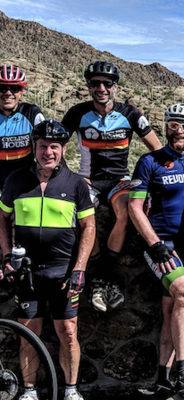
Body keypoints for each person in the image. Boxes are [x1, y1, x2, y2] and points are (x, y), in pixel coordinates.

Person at [0, 120, 95, 400]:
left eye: (54, 147)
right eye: (43, 146)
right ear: (34, 147)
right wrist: (6, 256)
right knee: (28, 333)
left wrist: (79, 268)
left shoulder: (75, 183)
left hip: (63, 272)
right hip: (27, 273)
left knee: (68, 332)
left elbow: (89, 226)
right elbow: (2, 218)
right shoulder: (16, 180)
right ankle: (29, 392)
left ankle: (71, 390)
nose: (48, 152)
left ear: (63, 149)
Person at [62, 61, 163, 312]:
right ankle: (104, 278)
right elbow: (55, 145)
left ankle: (102, 277)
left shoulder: (130, 113)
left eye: (107, 84)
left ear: (115, 86)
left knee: (127, 211)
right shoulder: (77, 113)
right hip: (88, 180)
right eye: (95, 83)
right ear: (89, 86)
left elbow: (158, 150)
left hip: (119, 180)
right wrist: (69, 175)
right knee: (81, 215)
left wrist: (147, 179)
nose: (101, 88)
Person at [129, 103, 184, 396]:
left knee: (172, 307)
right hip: (161, 246)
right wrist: (155, 244)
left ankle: (163, 378)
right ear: (165, 127)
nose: (179, 132)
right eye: (174, 125)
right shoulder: (150, 161)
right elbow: (135, 207)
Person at [0, 64, 45, 196]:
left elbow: (48, 147)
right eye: (2, 88)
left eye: (14, 88)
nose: (8, 93)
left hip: (26, 184)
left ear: (21, 92)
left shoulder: (32, 113)